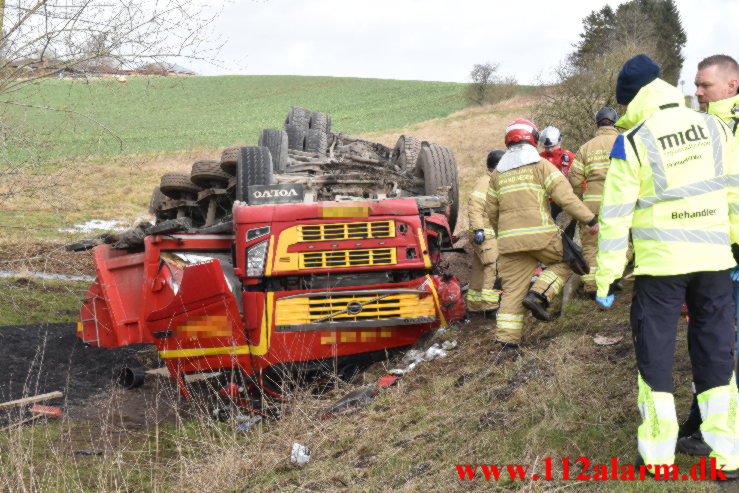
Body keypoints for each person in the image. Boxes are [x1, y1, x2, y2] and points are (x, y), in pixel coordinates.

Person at [595, 54, 739, 477]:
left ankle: (658, 457)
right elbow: (733, 193)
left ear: (632, 100)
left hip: (661, 268)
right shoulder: (715, 126)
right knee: (716, 351)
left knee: (656, 355)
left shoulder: (633, 140)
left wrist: (605, 276)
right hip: (714, 261)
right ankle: (727, 452)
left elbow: (615, 215)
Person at [486, 119, 598, 349]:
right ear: (533, 139)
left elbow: (491, 211)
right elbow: (566, 198)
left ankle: (506, 341)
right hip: (541, 236)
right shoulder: (541, 166)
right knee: (569, 261)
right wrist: (589, 218)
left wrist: (504, 236)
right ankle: (539, 295)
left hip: (509, 242)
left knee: (512, 290)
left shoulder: (497, 175)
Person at [677, 54, 739, 458]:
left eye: (705, 86)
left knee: (718, 341)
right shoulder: (710, 126)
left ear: (732, 86)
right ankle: (705, 420)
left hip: (727, 251)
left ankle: (716, 430)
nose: (698, 93)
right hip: (717, 249)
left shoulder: (720, 129)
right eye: (696, 86)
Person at [568, 107, 620, 295]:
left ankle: (591, 286)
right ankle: (612, 280)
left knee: (590, 246)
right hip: (618, 204)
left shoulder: (586, 147)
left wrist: (578, 202)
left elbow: (574, 179)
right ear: (615, 123)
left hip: (590, 207)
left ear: (597, 124)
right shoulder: (624, 143)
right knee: (621, 243)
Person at [466, 150, 504, 317]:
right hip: (485, 234)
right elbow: (475, 206)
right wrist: (478, 229)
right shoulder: (486, 182)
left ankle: (474, 306)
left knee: (479, 269)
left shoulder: (490, 180)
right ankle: (490, 306)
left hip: (484, 233)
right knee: (492, 267)